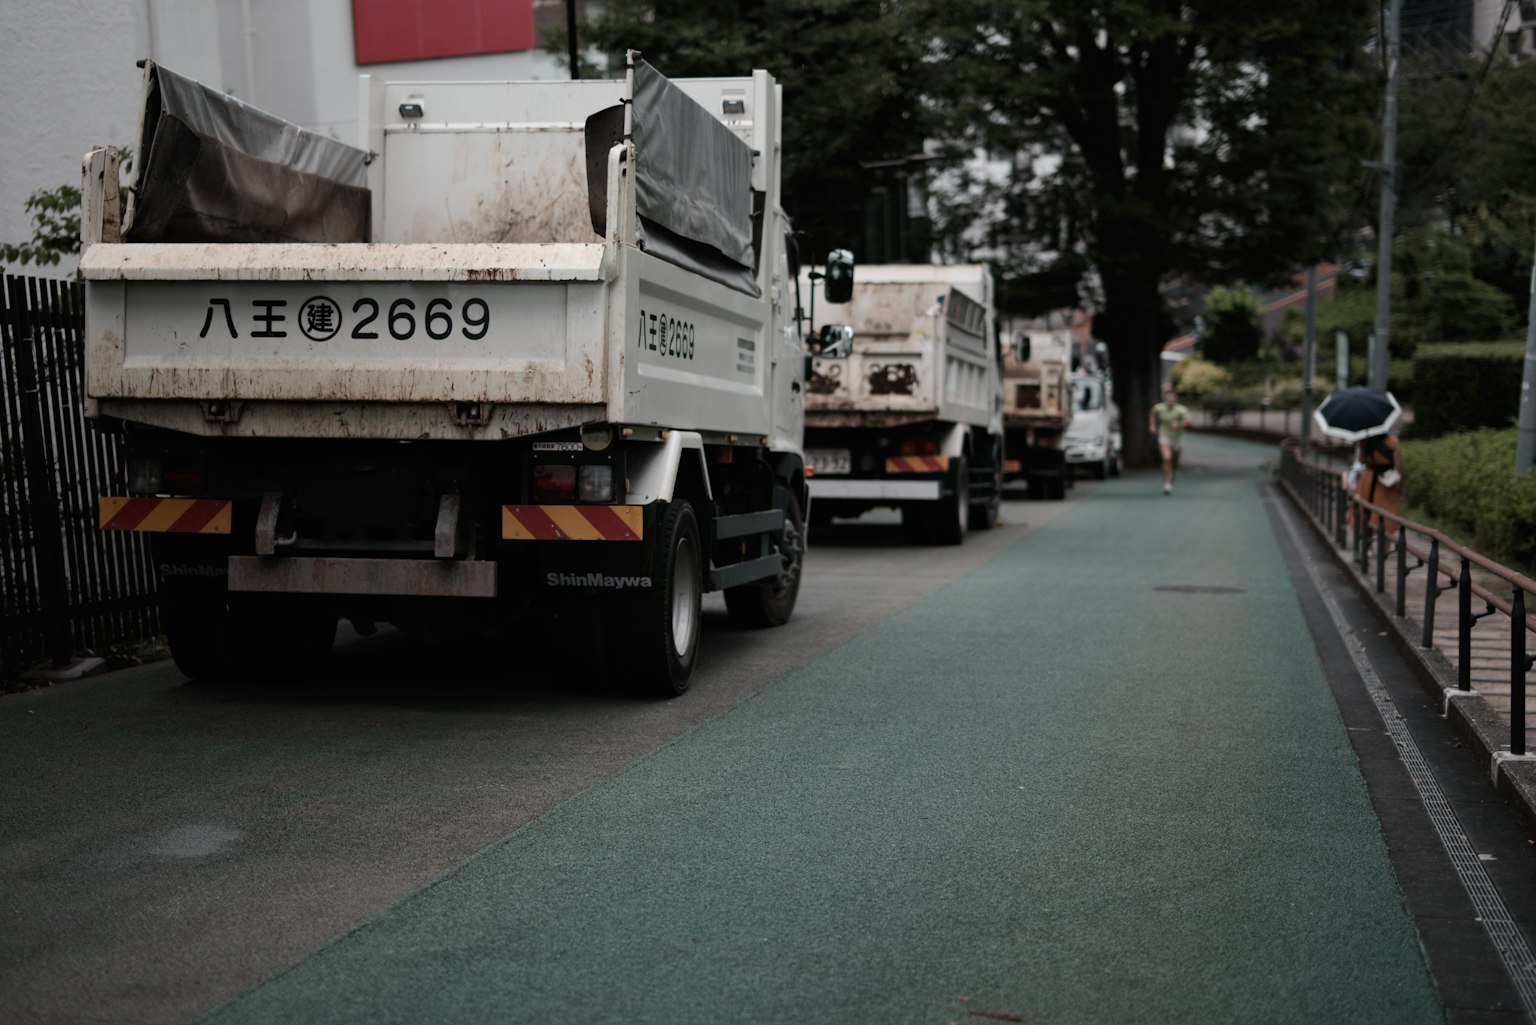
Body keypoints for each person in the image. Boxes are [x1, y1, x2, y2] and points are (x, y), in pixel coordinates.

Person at [1345, 432, 1403, 532]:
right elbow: (1398, 465)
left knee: (1364, 510)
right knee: (1386, 514)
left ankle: (1366, 541)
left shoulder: (1364, 441)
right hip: (1386, 480)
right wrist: (1401, 485)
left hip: (1367, 479)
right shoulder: (1392, 442)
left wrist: (1362, 447)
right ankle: (1384, 543)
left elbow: (1361, 460)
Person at [1149, 387, 1190, 494]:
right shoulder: (1159, 408)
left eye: (1173, 400)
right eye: (1169, 399)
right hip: (1164, 435)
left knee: (1175, 461)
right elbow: (1152, 413)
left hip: (1178, 437)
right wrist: (1152, 425)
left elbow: (1189, 423)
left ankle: (1172, 474)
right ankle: (1166, 483)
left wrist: (1180, 424)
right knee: (1167, 458)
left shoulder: (1181, 410)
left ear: (1176, 400)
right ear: (1165, 399)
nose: (1170, 401)